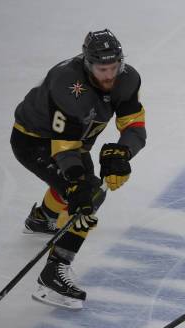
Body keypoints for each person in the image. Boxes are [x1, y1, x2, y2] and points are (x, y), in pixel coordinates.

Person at [11, 29, 146, 310]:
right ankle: (54, 271)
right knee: (89, 194)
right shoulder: (67, 84)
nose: (109, 75)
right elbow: (65, 149)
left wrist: (123, 152)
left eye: (114, 67)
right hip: (34, 141)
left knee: (77, 190)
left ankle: (42, 218)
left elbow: (134, 125)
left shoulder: (128, 78)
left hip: (74, 143)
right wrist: (77, 185)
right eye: (101, 68)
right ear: (87, 64)